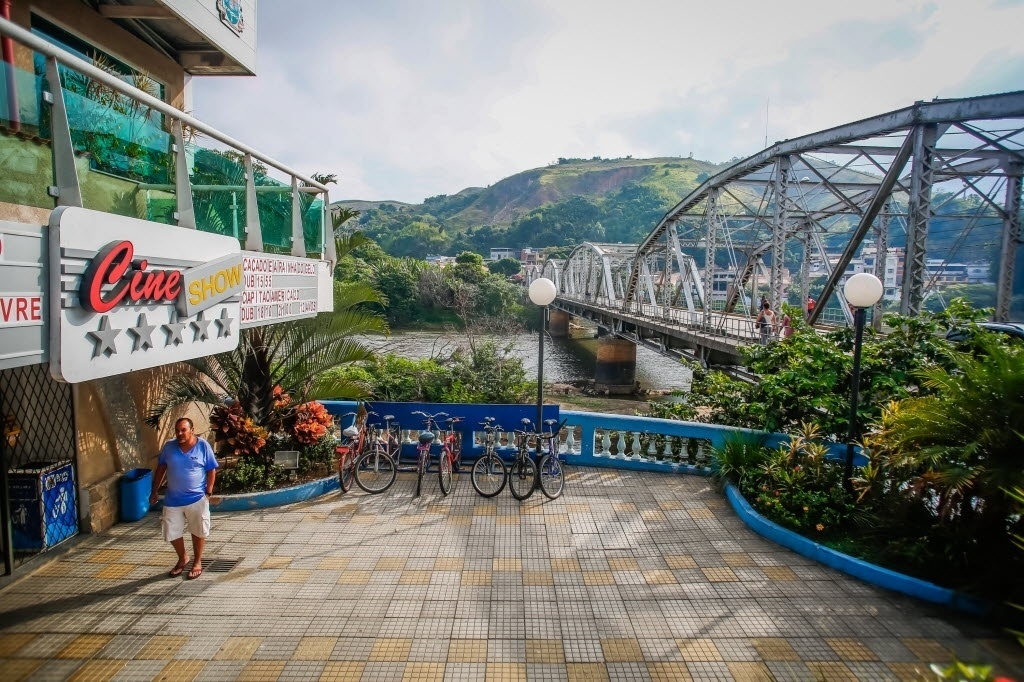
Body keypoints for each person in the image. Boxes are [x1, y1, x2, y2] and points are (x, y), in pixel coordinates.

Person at [150, 417, 218, 580]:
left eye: (183, 430)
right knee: (171, 532)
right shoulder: (169, 447)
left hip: (197, 499)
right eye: (177, 430)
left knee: (198, 531)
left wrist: (208, 492)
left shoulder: (203, 446)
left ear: (192, 430)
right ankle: (183, 558)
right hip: (173, 500)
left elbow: (211, 469)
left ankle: (197, 561)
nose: (180, 433)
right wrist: (154, 491)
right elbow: (161, 468)